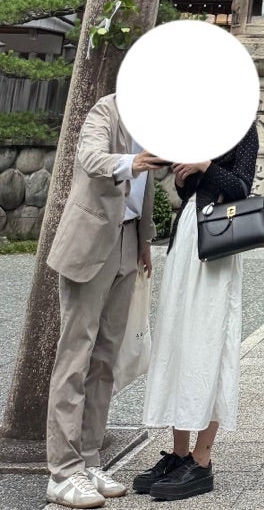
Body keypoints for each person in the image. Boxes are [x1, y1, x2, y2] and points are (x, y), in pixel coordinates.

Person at [46, 95, 159, 507]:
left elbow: (144, 192)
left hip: (128, 242)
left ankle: (90, 459)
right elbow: (90, 158)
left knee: (106, 357)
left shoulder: (158, 117)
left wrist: (144, 240)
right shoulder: (105, 111)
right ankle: (62, 471)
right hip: (90, 242)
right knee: (75, 354)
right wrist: (133, 162)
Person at [135, 122, 259, 500]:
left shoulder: (244, 131)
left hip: (217, 241)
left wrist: (205, 165)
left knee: (208, 342)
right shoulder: (198, 129)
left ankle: (202, 460)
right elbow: (184, 189)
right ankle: (178, 453)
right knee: (176, 338)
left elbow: (242, 188)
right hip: (186, 234)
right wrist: (183, 172)